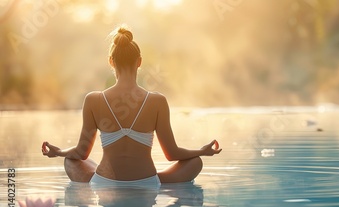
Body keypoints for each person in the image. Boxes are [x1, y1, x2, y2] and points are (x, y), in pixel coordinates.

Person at [41, 26, 222, 184]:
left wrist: (59, 152)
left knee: (70, 161)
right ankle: (158, 182)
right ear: (140, 62)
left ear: (111, 61)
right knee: (195, 161)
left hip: (104, 182)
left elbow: (81, 153)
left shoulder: (93, 100)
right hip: (148, 181)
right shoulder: (157, 101)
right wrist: (201, 150)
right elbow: (172, 154)